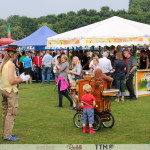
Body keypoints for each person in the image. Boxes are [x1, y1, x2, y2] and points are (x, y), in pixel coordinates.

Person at [0, 45, 29, 141]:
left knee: (5, 112)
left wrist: (18, 77)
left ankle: (6, 133)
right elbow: (12, 81)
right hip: (10, 91)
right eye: (17, 53)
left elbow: (7, 77)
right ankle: (7, 135)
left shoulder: (3, 63)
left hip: (3, 89)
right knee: (11, 113)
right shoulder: (11, 64)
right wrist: (22, 79)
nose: (18, 55)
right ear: (14, 54)